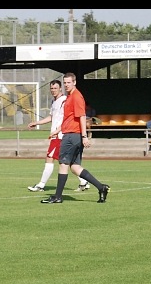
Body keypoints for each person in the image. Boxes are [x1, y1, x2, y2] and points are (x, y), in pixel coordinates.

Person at [41, 73, 110, 204]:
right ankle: (101, 187)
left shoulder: (76, 97)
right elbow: (69, 119)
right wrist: (57, 130)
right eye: (65, 82)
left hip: (72, 136)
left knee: (63, 164)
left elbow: (82, 116)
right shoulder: (70, 97)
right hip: (72, 134)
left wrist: (84, 136)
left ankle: (57, 197)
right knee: (75, 167)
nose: (67, 85)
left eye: (69, 82)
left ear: (74, 82)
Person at [27, 80, 89, 193]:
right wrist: (37, 123)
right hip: (58, 135)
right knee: (68, 162)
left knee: (50, 158)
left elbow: (69, 118)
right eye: (51, 88)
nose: (53, 90)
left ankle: (41, 185)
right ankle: (84, 181)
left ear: (60, 88)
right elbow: (51, 117)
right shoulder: (54, 101)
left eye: (55, 88)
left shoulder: (65, 100)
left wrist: (58, 130)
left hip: (61, 135)